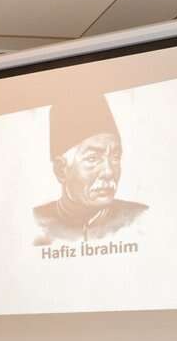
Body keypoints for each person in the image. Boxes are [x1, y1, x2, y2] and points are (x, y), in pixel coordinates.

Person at [33, 93, 147, 245]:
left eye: (115, 157)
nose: (109, 172)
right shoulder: (36, 223)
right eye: (93, 159)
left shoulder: (139, 219)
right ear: (61, 170)